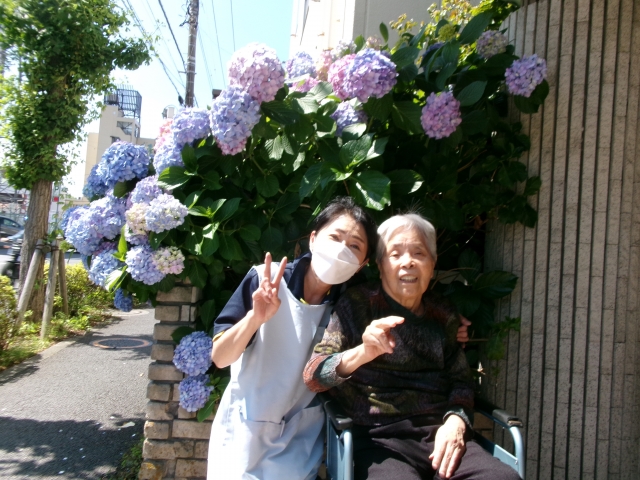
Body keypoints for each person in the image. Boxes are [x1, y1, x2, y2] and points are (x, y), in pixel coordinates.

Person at [207, 199, 470, 480]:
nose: (341, 250)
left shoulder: (348, 299)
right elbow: (220, 357)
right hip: (246, 428)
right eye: (335, 237)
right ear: (313, 239)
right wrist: (254, 318)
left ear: (362, 264)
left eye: (355, 246)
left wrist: (450, 324)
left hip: (300, 434)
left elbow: (404, 307)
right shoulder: (266, 281)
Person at [303, 213, 520, 480]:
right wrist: (362, 353)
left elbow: (461, 382)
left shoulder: (443, 313)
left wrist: (456, 421)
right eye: (395, 254)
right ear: (380, 264)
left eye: (419, 253)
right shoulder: (357, 304)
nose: (408, 262)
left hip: (440, 433)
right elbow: (314, 376)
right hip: (377, 438)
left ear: (432, 264)